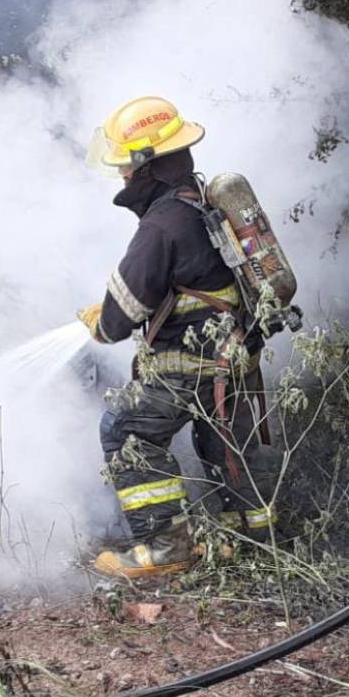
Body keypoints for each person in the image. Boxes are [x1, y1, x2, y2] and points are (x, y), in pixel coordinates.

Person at [78, 95, 276, 579]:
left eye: (127, 165)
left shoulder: (161, 224)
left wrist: (99, 323)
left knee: (125, 429)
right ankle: (249, 543)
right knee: (223, 443)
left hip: (191, 359)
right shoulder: (197, 202)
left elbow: (119, 319)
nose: (123, 175)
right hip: (232, 353)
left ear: (149, 165)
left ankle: (165, 549)